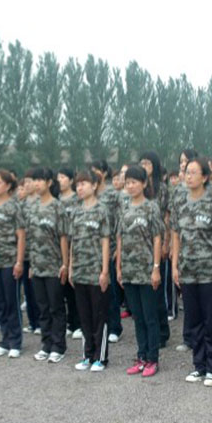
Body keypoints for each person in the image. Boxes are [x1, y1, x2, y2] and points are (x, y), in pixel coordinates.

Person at [172, 158, 212, 386]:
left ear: (204, 177)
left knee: (211, 320)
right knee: (193, 320)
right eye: (187, 172)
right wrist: (175, 265)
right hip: (187, 271)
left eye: (194, 172)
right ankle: (199, 365)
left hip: (209, 271)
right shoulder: (180, 203)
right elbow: (176, 235)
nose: (189, 176)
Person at [117, 165, 164, 378]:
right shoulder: (124, 207)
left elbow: (157, 238)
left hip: (146, 271)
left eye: (134, 182)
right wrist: (119, 267)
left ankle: (153, 358)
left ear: (144, 183)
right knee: (137, 317)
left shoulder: (151, 207)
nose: (130, 186)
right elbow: (120, 238)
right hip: (129, 271)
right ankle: (141, 356)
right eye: (127, 182)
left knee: (150, 317)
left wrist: (156, 268)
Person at [69, 170, 111, 372]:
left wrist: (105, 271)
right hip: (80, 270)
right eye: (78, 184)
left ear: (94, 186)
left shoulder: (102, 210)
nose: (80, 188)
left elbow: (105, 241)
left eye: (84, 184)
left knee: (99, 315)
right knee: (84, 316)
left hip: (96, 271)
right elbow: (73, 241)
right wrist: (70, 267)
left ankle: (100, 357)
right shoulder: (76, 211)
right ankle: (87, 355)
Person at [28, 167, 69, 363]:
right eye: (34, 180)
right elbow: (32, 238)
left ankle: (58, 346)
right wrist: (31, 264)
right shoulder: (33, 207)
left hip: (54, 266)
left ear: (49, 183)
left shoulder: (57, 207)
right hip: (37, 266)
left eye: (40, 180)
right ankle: (46, 344)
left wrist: (65, 264)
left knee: (56, 308)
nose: (36, 184)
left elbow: (63, 237)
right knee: (42, 308)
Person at [0, 170, 26, 359]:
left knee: (11, 302)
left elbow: (21, 235)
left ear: (8, 186)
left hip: (10, 261)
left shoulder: (13, 207)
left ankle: (15, 342)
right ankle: (4, 340)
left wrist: (19, 262)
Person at [139, 151, 174, 348]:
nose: (144, 166)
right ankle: (149, 331)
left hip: (158, 240)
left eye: (147, 163)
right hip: (141, 243)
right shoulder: (140, 188)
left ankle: (162, 332)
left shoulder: (162, 188)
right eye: (142, 163)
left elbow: (167, 217)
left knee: (157, 290)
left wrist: (166, 243)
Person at [91, 159, 123, 345]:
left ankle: (114, 327)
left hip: (109, 247)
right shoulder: (90, 194)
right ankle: (99, 325)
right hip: (92, 249)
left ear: (104, 173)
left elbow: (119, 219)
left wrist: (118, 247)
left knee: (110, 290)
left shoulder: (113, 193)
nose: (93, 173)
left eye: (96, 170)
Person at [57, 167, 81, 339]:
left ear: (71, 180)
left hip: (75, 247)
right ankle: (70, 322)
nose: (60, 180)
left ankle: (78, 323)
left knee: (75, 289)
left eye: (63, 177)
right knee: (63, 288)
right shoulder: (56, 200)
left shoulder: (76, 199)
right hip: (59, 249)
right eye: (58, 177)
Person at [19, 169, 41, 335]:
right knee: (27, 290)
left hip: (38, 254)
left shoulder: (40, 203)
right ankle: (33, 322)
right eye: (25, 182)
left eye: (29, 182)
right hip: (24, 254)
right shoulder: (22, 204)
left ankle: (40, 323)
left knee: (37, 290)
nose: (26, 185)